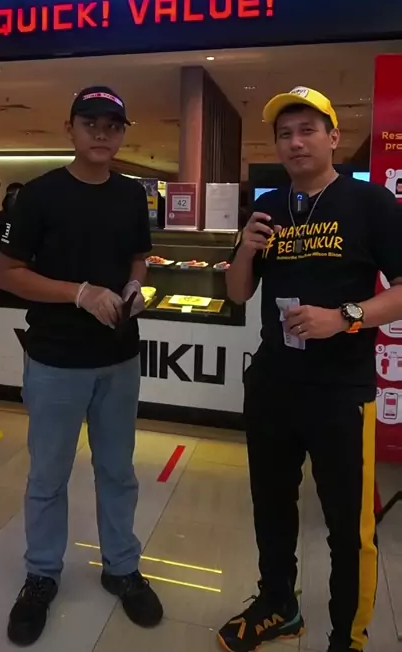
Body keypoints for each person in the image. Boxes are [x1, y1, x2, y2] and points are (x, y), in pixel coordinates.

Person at [218, 87, 402, 652]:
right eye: (284, 134)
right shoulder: (269, 207)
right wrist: (245, 250)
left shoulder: (369, 203)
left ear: (333, 137)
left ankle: (348, 638)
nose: (295, 143)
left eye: (307, 131)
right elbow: (237, 294)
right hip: (272, 385)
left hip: (340, 392)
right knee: (272, 507)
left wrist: (345, 317)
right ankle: (278, 604)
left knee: (349, 527)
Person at [0, 86, 163, 647]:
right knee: (48, 475)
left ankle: (122, 567)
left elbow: (138, 255)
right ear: (69, 128)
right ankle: (42, 574)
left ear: (123, 134)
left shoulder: (131, 194)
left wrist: (135, 284)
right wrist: (79, 293)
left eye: (112, 125)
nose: (101, 133)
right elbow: (8, 273)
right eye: (90, 122)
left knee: (118, 470)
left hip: (118, 358)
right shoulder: (40, 195)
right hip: (55, 360)